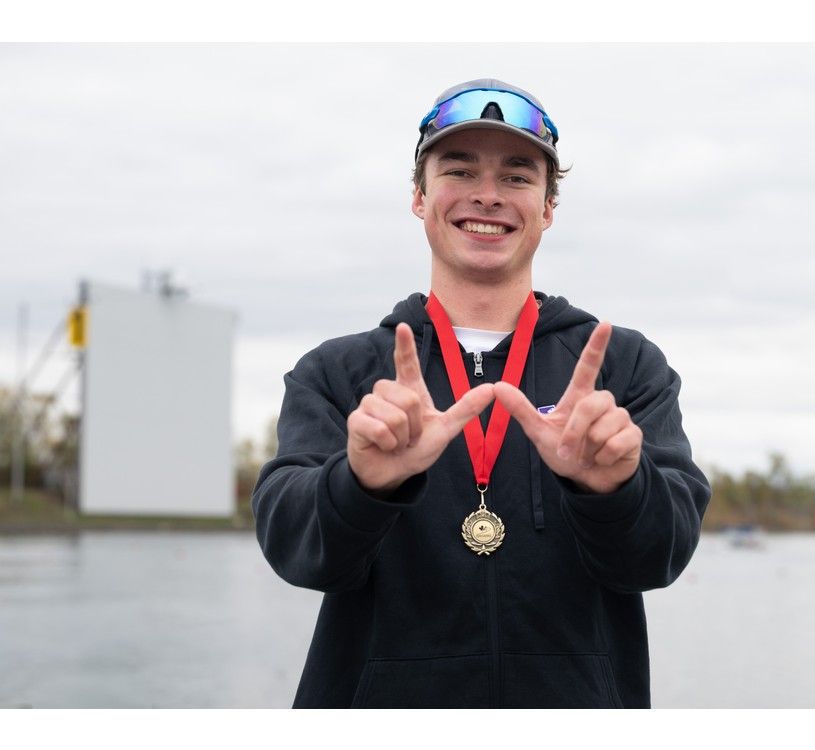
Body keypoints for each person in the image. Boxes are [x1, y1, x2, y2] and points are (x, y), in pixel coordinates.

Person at [252, 78, 711, 708]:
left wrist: (613, 489)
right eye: (459, 170)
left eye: (518, 177)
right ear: (419, 196)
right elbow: (295, 552)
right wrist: (361, 484)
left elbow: (658, 560)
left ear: (549, 207)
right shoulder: (340, 372)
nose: (487, 196)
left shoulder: (623, 367)